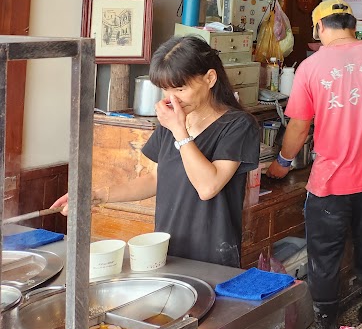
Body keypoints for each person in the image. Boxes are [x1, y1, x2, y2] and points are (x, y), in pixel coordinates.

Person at [52, 35, 260, 267]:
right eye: (164, 90)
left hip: (212, 257)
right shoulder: (172, 123)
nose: (171, 100)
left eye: (180, 89)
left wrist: (179, 131)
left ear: (210, 78)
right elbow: (156, 178)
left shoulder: (238, 125)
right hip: (166, 250)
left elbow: (207, 187)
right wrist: (96, 195)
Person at [266, 0, 362, 329]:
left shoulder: (311, 66)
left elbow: (298, 127)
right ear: (352, 25)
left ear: (319, 27)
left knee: (324, 258)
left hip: (330, 183)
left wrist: (282, 163)